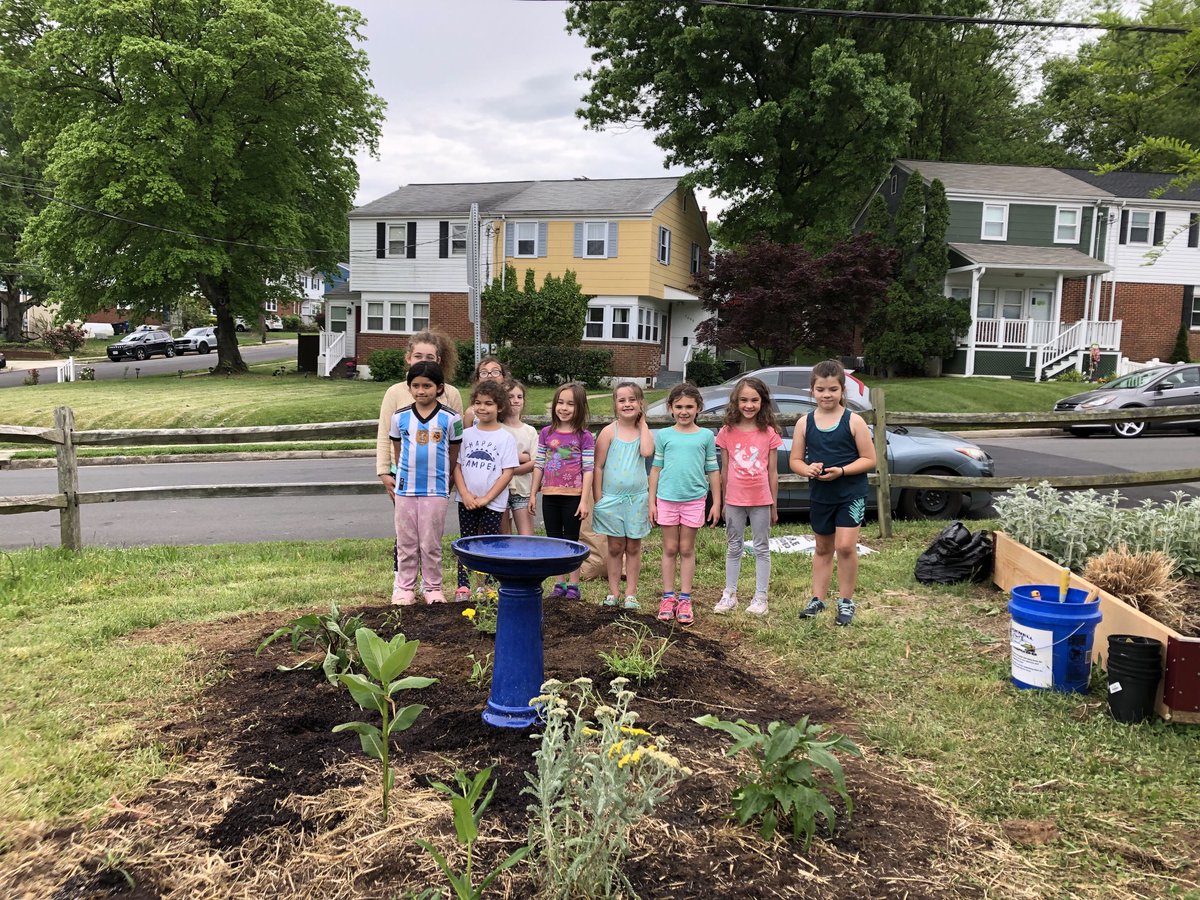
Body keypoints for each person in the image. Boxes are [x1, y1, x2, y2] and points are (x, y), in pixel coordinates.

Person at [788, 359, 876, 626]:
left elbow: (869, 459)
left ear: (842, 390)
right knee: (823, 547)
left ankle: (846, 601)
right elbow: (795, 460)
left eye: (833, 390)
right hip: (820, 495)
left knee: (845, 546)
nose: (827, 395)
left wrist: (843, 470)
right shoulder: (805, 422)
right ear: (812, 391)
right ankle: (818, 598)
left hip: (850, 493)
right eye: (821, 389)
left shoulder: (854, 421)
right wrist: (808, 469)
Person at [388, 362, 462, 605]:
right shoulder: (399, 418)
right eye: (416, 386)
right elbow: (398, 451)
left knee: (430, 542)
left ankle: (432, 587)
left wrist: (448, 480)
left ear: (439, 388)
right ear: (409, 388)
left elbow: (454, 452)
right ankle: (404, 588)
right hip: (406, 490)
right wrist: (399, 478)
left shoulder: (451, 419)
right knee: (406, 541)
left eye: (427, 386)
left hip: (436, 489)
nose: (421, 391)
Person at [649, 382, 720, 626]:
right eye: (679, 406)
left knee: (687, 549)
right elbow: (656, 469)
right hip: (667, 499)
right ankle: (668, 597)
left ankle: (685, 598)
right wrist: (652, 502)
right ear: (670, 408)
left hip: (694, 500)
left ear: (699, 407)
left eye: (689, 406)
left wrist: (716, 503)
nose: (684, 411)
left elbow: (712, 470)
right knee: (670, 548)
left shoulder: (706, 436)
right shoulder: (665, 436)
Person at [714, 377, 782, 616]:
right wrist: (722, 502)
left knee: (761, 548)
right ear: (736, 401)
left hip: (761, 500)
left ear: (762, 402)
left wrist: (773, 505)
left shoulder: (769, 433)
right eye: (744, 400)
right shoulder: (726, 432)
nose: (749, 405)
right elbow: (724, 469)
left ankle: (760, 596)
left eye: (754, 400)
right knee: (734, 546)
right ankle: (729, 593)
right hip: (734, 500)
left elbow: (772, 472)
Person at [452, 379, 519, 600]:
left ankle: (487, 585)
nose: (482, 408)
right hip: (467, 500)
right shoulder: (467, 435)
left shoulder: (505, 438)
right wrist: (465, 494)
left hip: (494, 502)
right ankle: (464, 585)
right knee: (466, 542)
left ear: (499, 407)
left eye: (489, 403)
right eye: (478, 403)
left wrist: (487, 498)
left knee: (489, 544)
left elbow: (507, 473)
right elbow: (457, 467)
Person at [592, 381, 654, 610]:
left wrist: (644, 423)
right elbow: (598, 466)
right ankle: (614, 592)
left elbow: (647, 452)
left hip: (637, 499)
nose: (627, 404)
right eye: (622, 400)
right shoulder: (609, 432)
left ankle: (631, 594)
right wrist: (599, 499)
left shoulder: (642, 432)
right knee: (615, 547)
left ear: (640, 404)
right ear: (615, 404)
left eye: (632, 400)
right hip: (612, 500)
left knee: (634, 547)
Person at [530, 381, 594, 600]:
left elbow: (588, 470)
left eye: (570, 404)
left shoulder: (584, 436)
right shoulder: (546, 433)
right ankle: (559, 584)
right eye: (560, 402)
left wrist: (585, 500)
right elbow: (539, 463)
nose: (564, 408)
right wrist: (532, 493)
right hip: (549, 495)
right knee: (554, 539)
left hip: (573, 497)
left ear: (580, 408)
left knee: (572, 540)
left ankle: (574, 586)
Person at [501, 379, 538, 536]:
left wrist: (510, 470)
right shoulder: (497, 428)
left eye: (519, 396)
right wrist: (522, 457)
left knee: (527, 536)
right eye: (510, 396)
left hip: (523, 490)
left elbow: (536, 462)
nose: (515, 400)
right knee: (502, 537)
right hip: (499, 490)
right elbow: (496, 459)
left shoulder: (530, 431)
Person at [462, 355, 510, 428]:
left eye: (495, 372)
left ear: (503, 377)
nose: (490, 376)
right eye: (484, 373)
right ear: (477, 380)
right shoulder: (471, 413)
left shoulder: (511, 406)